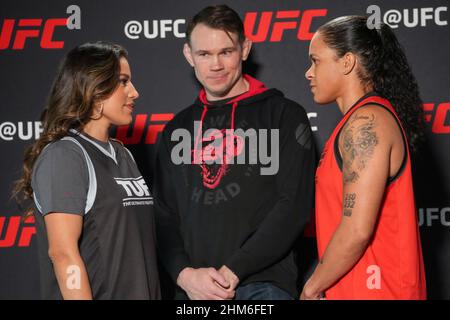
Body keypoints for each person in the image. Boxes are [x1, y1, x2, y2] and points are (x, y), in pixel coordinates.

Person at [153, 5, 316, 300]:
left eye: (226, 52)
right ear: (189, 55)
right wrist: (185, 275)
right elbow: (163, 215)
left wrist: (233, 271)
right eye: (204, 54)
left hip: (264, 285)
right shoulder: (175, 129)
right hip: (194, 290)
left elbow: (293, 207)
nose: (215, 65)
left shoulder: (283, 115)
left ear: (244, 49)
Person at [12, 42, 161, 300]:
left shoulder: (123, 154)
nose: (134, 92)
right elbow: (62, 253)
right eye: (123, 82)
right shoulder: (65, 156)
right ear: (95, 88)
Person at [301, 16, 426, 300]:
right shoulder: (358, 121)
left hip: (379, 292)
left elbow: (356, 229)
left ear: (347, 62)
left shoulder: (366, 122)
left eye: (316, 61)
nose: (309, 73)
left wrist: (312, 287)